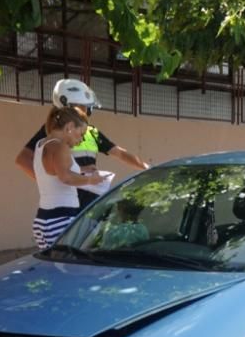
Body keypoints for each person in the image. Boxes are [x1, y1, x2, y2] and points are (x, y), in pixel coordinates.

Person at [16, 79, 148, 208]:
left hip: (92, 203)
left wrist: (147, 167)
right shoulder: (53, 130)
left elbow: (119, 153)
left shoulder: (92, 132)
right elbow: (23, 159)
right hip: (68, 204)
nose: (86, 111)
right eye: (83, 106)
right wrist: (53, 183)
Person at [31, 106, 105, 249]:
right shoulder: (61, 146)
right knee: (69, 268)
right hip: (62, 218)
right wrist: (91, 180)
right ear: (70, 127)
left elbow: (53, 171)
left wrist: (82, 170)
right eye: (81, 133)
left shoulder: (41, 144)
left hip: (43, 220)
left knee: (52, 268)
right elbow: (65, 177)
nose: (82, 139)